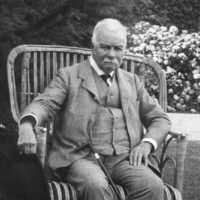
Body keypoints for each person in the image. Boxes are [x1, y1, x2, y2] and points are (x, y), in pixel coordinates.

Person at [17, 18, 171, 200]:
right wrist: (26, 124)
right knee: (96, 186)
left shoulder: (132, 81)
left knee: (151, 186)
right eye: (105, 47)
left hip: (125, 159)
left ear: (124, 50)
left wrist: (146, 144)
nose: (112, 54)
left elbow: (160, 118)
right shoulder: (69, 76)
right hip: (80, 157)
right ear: (93, 46)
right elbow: (44, 104)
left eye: (118, 48)